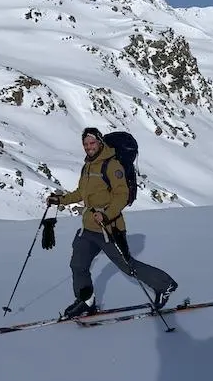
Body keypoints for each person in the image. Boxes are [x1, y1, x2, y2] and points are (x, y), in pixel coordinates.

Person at [47, 127, 178, 319]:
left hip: (109, 228)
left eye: (92, 143)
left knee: (127, 266)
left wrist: (106, 215)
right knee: (78, 265)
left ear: (100, 142)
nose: (88, 147)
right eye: (85, 144)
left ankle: (164, 284)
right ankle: (86, 300)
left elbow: (122, 195)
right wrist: (60, 200)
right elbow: (80, 193)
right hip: (89, 227)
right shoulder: (88, 166)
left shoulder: (112, 165)